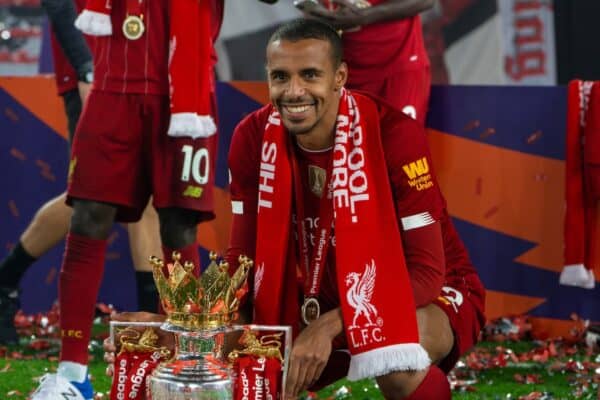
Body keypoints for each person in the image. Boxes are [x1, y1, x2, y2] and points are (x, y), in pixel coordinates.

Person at [105, 19, 485, 400]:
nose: (294, 91)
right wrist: (180, 323)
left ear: (339, 77)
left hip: (429, 291)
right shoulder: (252, 138)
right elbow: (241, 259)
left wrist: (332, 325)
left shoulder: (393, 135)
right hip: (310, 295)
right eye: (281, 77)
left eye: (310, 75)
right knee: (237, 356)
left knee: (392, 354)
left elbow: (427, 272)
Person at [29, 0, 221, 398]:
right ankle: (71, 375)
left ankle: (186, 367)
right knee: (87, 216)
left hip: (184, 93)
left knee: (178, 224)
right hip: (111, 86)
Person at [0, 0, 162, 346]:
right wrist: (87, 68)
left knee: (145, 192)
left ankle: (152, 324)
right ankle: (4, 281)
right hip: (93, 69)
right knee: (89, 196)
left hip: (143, 66)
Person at [299, 0, 433, 124]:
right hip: (342, 70)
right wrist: (316, 13)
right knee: (353, 147)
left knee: (398, 145)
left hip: (398, 64)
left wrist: (365, 16)